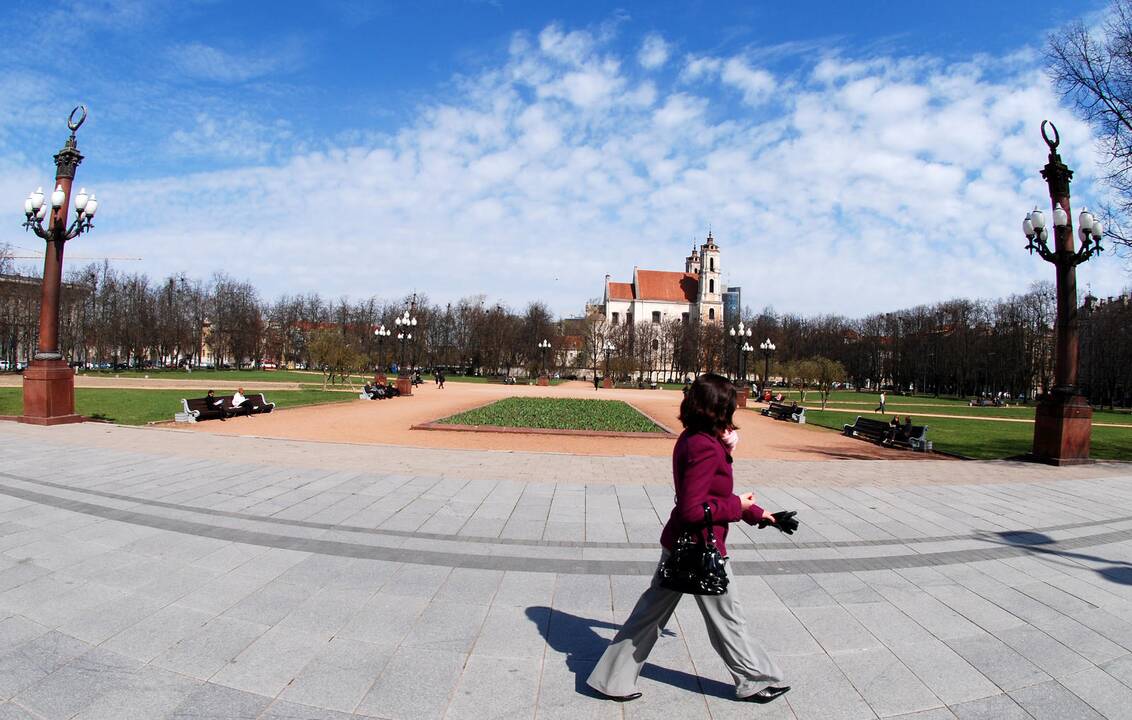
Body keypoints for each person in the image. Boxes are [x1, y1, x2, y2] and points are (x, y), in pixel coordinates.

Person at [587, 374, 792, 705]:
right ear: (718, 409)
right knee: (728, 618)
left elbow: (707, 496)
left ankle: (611, 679)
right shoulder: (705, 447)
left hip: (682, 545)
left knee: (649, 616)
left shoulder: (692, 438)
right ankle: (754, 679)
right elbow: (693, 509)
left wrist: (759, 514)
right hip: (701, 548)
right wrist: (737, 506)